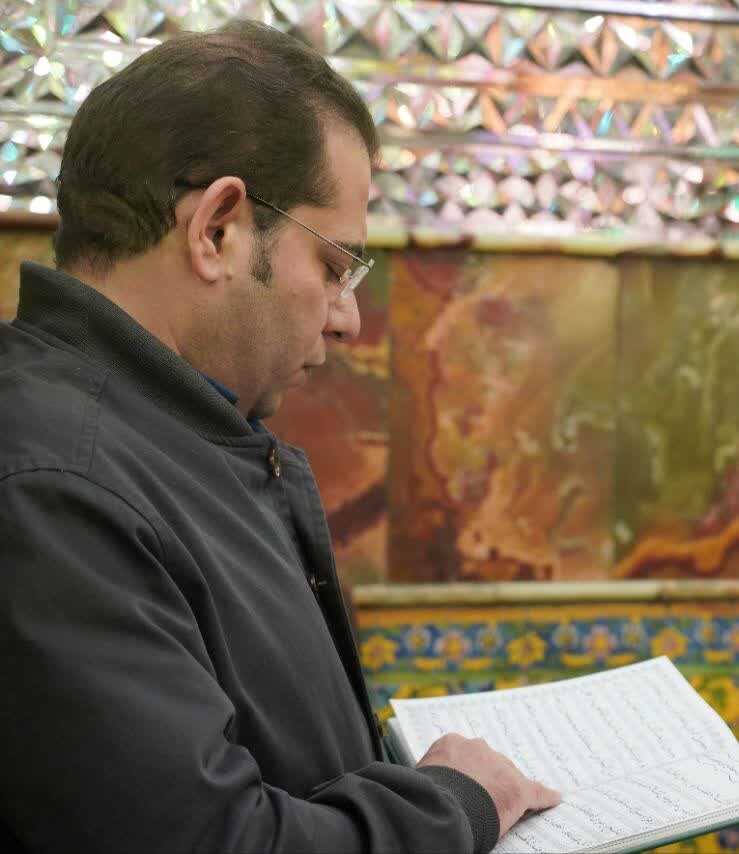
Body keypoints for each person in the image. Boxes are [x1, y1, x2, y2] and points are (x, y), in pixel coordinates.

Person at [0, 21, 559, 853]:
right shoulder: (58, 483)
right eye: (334, 266)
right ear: (217, 229)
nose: (348, 320)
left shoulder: (171, 439)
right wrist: (454, 805)